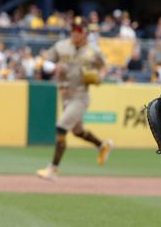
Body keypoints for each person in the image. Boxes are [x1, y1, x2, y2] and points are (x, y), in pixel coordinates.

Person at [36, 17, 113, 180]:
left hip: (80, 96)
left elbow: (104, 67)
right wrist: (53, 66)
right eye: (73, 29)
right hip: (65, 94)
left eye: (77, 30)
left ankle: (53, 169)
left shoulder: (93, 51)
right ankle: (102, 145)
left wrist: (99, 76)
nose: (74, 33)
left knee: (61, 127)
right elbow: (43, 62)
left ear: (84, 33)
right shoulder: (62, 46)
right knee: (77, 131)